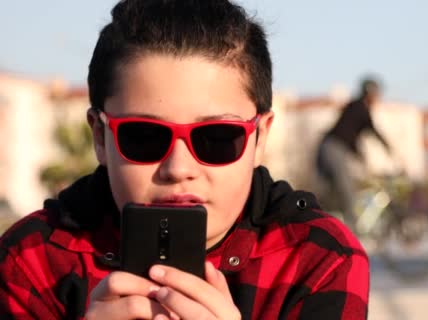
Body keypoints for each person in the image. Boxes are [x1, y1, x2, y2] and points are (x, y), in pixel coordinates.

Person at [0, 1, 369, 319]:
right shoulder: (31, 260)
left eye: (217, 139)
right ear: (100, 136)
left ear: (260, 137)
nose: (178, 168)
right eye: (144, 137)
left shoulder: (316, 258)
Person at [316, 77, 392, 231]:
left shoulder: (354, 107)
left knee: (328, 195)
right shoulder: (361, 108)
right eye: (376, 94)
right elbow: (371, 130)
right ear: (370, 93)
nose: (377, 98)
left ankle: (321, 226)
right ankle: (350, 236)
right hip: (333, 150)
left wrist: (360, 154)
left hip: (326, 149)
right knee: (348, 193)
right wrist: (388, 147)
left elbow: (350, 133)